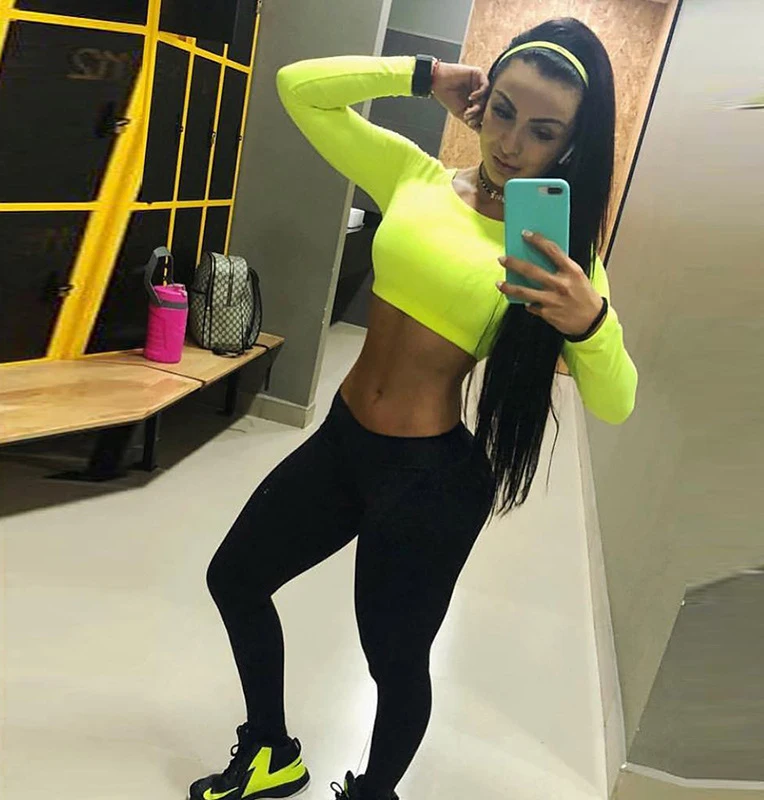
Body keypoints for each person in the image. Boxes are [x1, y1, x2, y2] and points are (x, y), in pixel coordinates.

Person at [188, 16, 637, 800]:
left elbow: (617, 400)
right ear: (482, 100)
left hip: (428, 481)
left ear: (571, 145)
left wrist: (589, 323)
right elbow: (298, 89)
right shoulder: (415, 176)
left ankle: (374, 794)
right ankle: (270, 751)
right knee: (236, 578)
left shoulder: (562, 260)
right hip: (342, 442)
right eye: (503, 111)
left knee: (393, 662)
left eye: (542, 131)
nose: (511, 143)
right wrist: (424, 76)